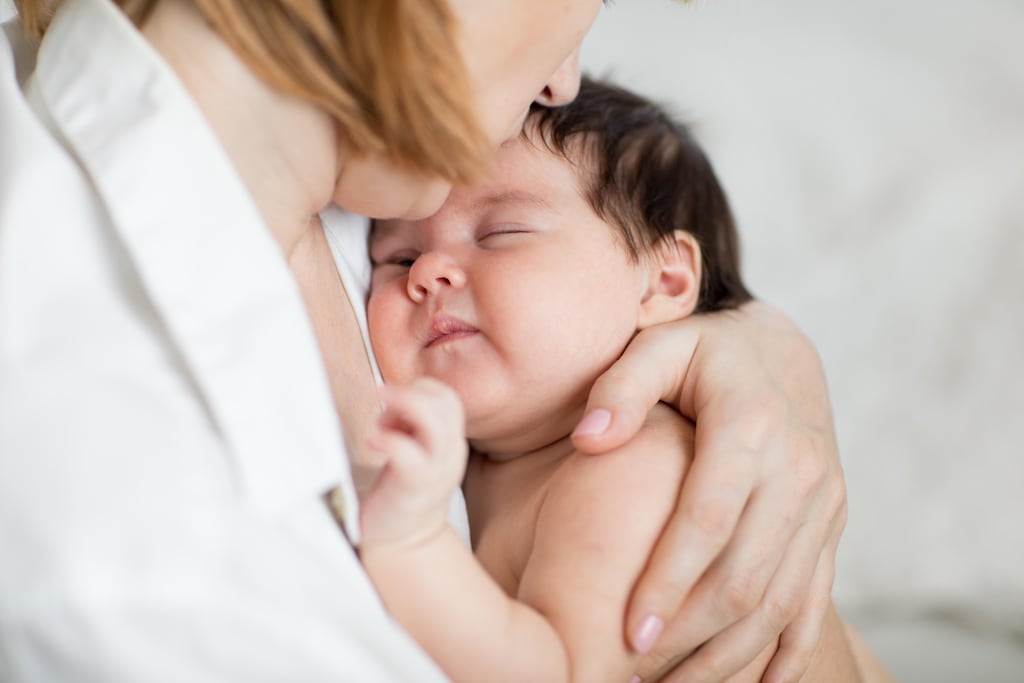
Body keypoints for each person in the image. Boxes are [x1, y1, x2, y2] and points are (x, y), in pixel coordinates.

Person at [0, 1, 845, 681]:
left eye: (504, 232)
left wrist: (746, 343)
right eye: (398, 257)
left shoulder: (353, 158)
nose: (560, 81)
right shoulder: (119, 561)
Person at [361, 77, 889, 683]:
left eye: (500, 234)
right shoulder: (478, 459)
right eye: (396, 258)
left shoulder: (632, 466)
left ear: (662, 283)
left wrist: (411, 542)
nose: (427, 272)